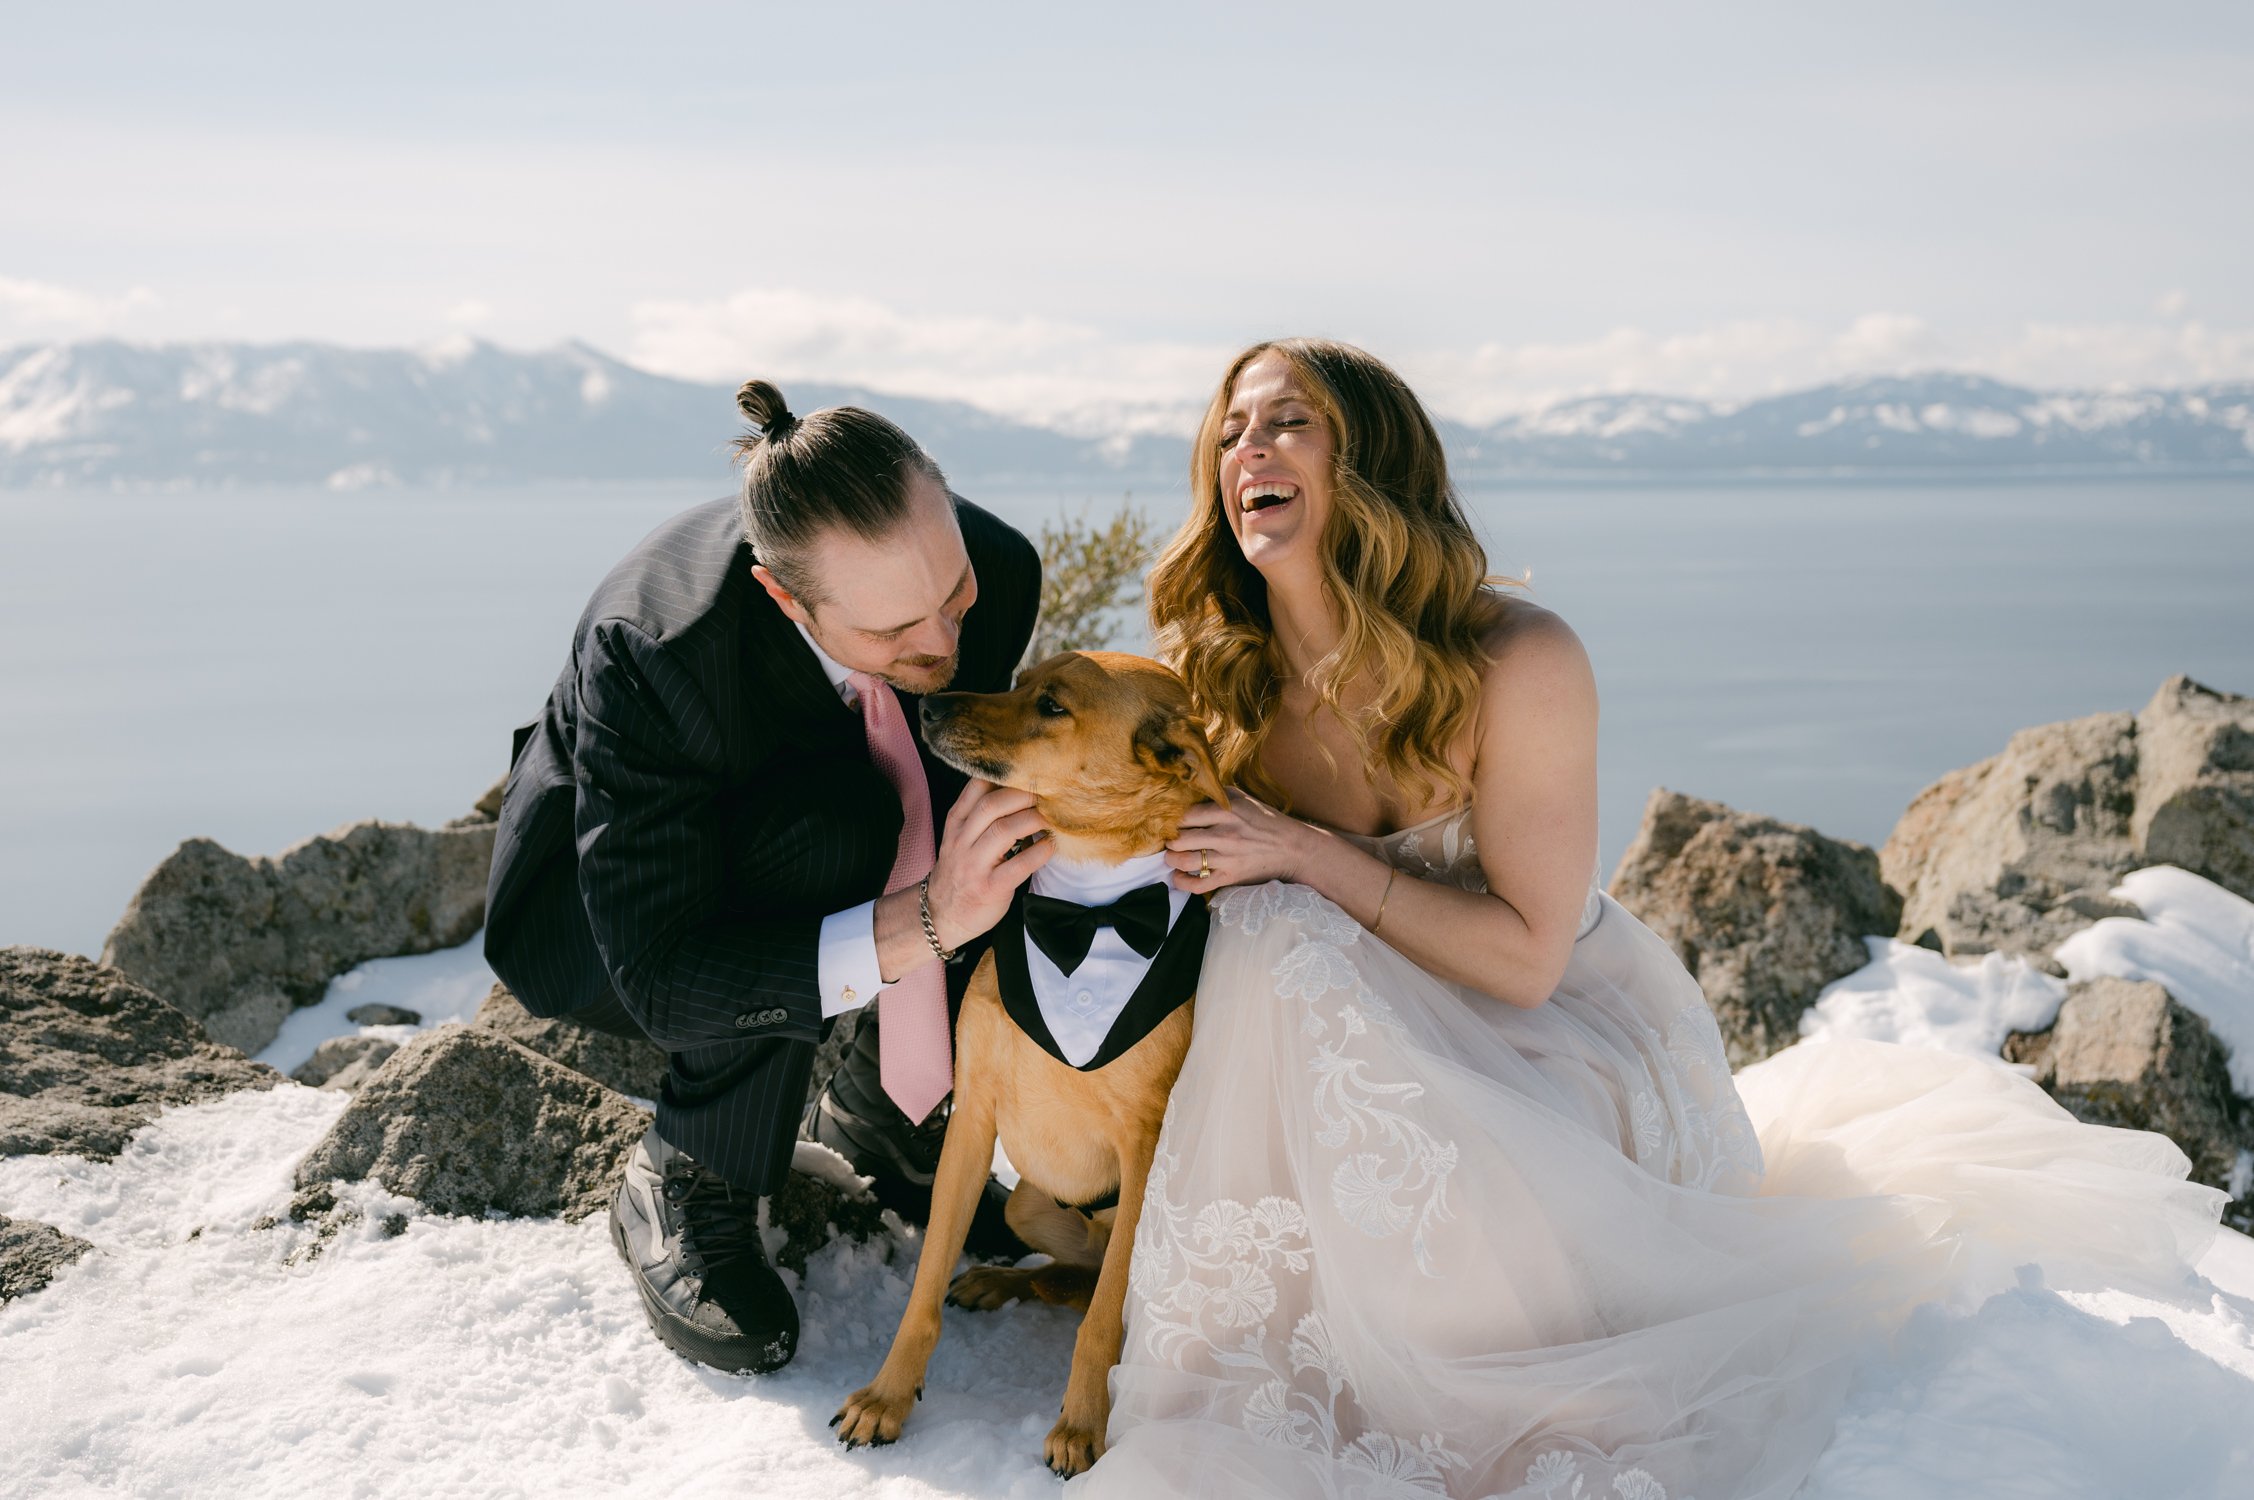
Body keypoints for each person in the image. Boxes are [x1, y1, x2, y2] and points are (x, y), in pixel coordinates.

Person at [1070, 340, 2226, 1498]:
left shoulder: (1515, 660)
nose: (1247, 452)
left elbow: (1526, 960)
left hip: (1546, 1041)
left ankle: (1460, 1351)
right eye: (1230, 432)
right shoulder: (1213, 677)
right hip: (1343, 1056)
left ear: (1367, 461)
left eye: (1288, 424)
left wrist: (1308, 855)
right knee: (1269, 931)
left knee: (1288, 924)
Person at [482, 381, 1047, 1376]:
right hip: (612, 919)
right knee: (834, 834)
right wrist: (924, 921)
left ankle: (888, 1122)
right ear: (785, 596)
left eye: (950, 598)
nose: (945, 646)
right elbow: (665, 975)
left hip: (834, 845)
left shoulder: (992, 569)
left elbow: (943, 794)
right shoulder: (656, 650)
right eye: (893, 635)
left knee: (990, 818)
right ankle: (694, 1167)